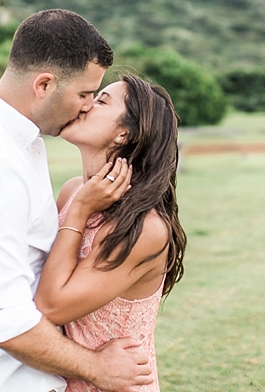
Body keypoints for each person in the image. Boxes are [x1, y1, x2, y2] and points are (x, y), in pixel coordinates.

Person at [0, 9, 153, 392]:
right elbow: (4, 317)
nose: (86, 106)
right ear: (44, 85)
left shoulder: (16, 137)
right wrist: (97, 368)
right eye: (84, 94)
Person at [35, 74, 187, 392]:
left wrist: (79, 211)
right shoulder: (73, 190)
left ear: (124, 134)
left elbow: (50, 306)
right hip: (64, 378)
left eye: (101, 100)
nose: (86, 104)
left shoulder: (145, 227)